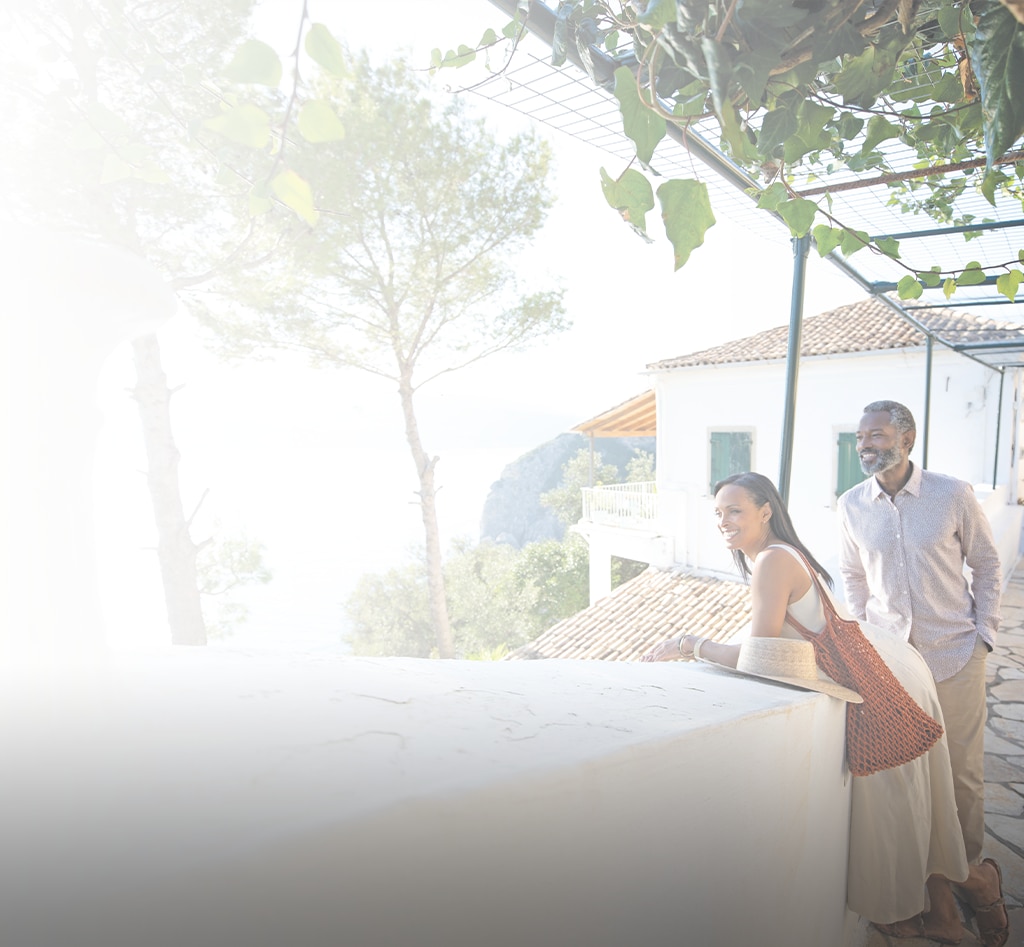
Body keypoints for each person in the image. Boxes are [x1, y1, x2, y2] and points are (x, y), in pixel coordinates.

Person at [642, 472, 972, 942]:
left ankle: (932, 911)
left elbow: (759, 657)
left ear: (765, 511)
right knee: (912, 806)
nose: (724, 521)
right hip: (880, 675)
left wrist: (688, 643)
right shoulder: (785, 554)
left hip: (870, 693)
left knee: (893, 811)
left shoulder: (772, 561)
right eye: (718, 512)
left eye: (735, 510)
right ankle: (951, 909)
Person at [837, 400, 1008, 946]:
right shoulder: (851, 504)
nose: (866, 445)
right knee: (912, 777)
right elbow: (851, 575)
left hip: (954, 653)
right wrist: (864, 636)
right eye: (861, 436)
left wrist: (985, 636)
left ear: (907, 438)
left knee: (961, 779)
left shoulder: (952, 494)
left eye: (878, 435)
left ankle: (971, 874)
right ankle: (949, 884)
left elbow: (987, 563)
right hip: (892, 661)